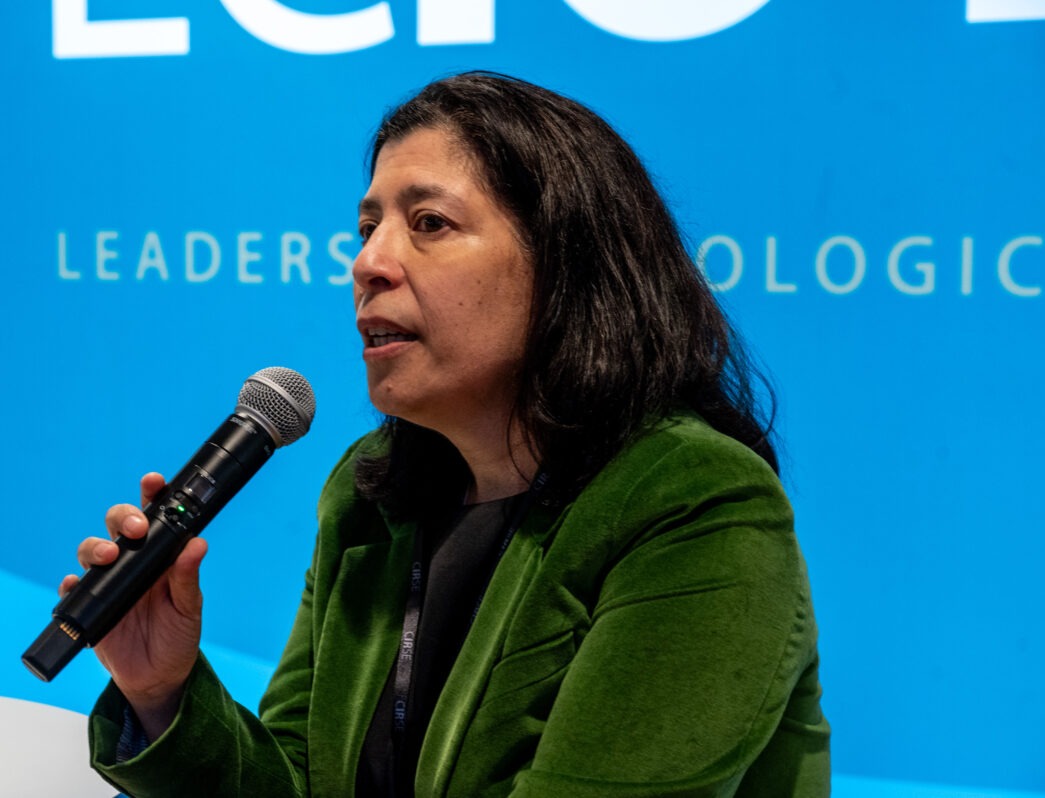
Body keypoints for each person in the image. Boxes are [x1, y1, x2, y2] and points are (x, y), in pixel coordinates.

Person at [65, 72, 830, 797]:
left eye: (429, 223)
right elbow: (301, 780)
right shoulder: (369, 494)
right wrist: (162, 692)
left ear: (566, 263)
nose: (369, 263)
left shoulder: (693, 501)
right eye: (367, 229)